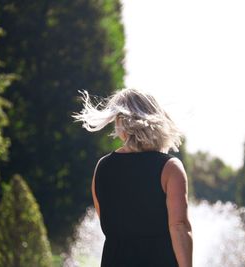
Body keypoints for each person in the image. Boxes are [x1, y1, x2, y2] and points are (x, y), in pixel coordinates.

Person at [72, 88, 193, 267]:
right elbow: (179, 226)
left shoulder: (103, 167)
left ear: (121, 124)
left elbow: (108, 220)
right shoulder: (170, 168)